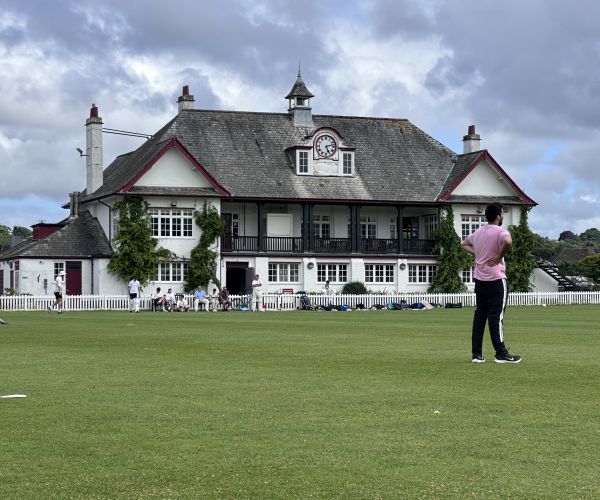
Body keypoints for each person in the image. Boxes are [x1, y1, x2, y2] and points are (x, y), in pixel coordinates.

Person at [461, 203, 522, 364]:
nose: (502, 217)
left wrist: (478, 254)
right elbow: (508, 242)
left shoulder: (479, 232)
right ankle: (501, 353)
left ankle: (477, 354)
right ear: (498, 216)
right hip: (496, 279)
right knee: (496, 316)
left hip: (480, 280)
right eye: (502, 214)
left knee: (480, 315)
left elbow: (464, 244)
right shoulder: (501, 231)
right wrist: (499, 256)